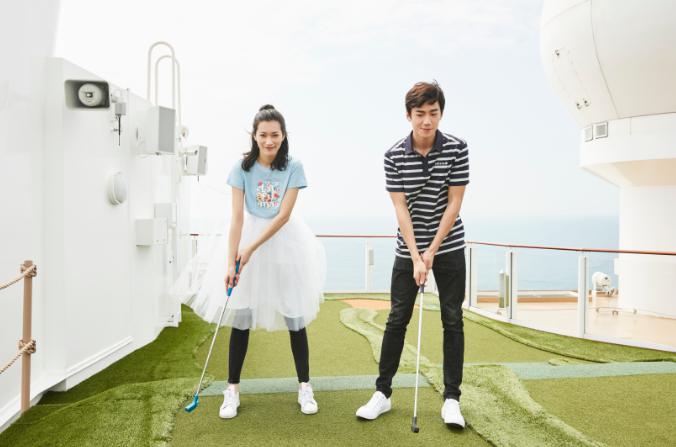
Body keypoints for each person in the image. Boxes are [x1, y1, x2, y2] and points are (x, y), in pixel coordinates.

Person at [197, 104, 325, 419]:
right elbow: (237, 218)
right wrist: (231, 262)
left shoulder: (293, 166)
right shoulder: (241, 168)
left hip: (283, 241)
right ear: (254, 136)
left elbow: (283, 216)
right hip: (247, 236)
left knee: (295, 317)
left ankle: (305, 386)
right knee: (241, 317)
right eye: (263, 135)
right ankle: (232, 390)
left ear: (283, 136)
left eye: (275, 135)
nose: (269, 141)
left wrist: (251, 248)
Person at [355, 81, 469, 428]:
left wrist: (432, 250)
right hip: (408, 248)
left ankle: (452, 399)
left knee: (452, 319)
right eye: (420, 114)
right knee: (397, 319)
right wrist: (417, 256)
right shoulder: (393, 155)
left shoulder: (457, 148)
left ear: (441, 113)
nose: (427, 121)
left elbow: (454, 202)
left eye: (433, 113)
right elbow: (400, 209)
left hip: (449, 246)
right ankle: (382, 393)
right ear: (408, 115)